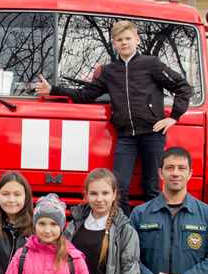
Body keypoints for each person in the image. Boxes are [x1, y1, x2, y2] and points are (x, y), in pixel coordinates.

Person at [33, 20, 192, 214]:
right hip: (126, 137)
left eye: (128, 38)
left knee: (151, 186)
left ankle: (154, 229)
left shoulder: (151, 64)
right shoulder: (109, 71)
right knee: (120, 186)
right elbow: (86, 94)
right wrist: (53, 89)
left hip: (153, 133)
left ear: (137, 40)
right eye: (119, 39)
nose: (124, 43)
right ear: (114, 43)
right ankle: (123, 228)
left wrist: (174, 116)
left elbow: (183, 87)